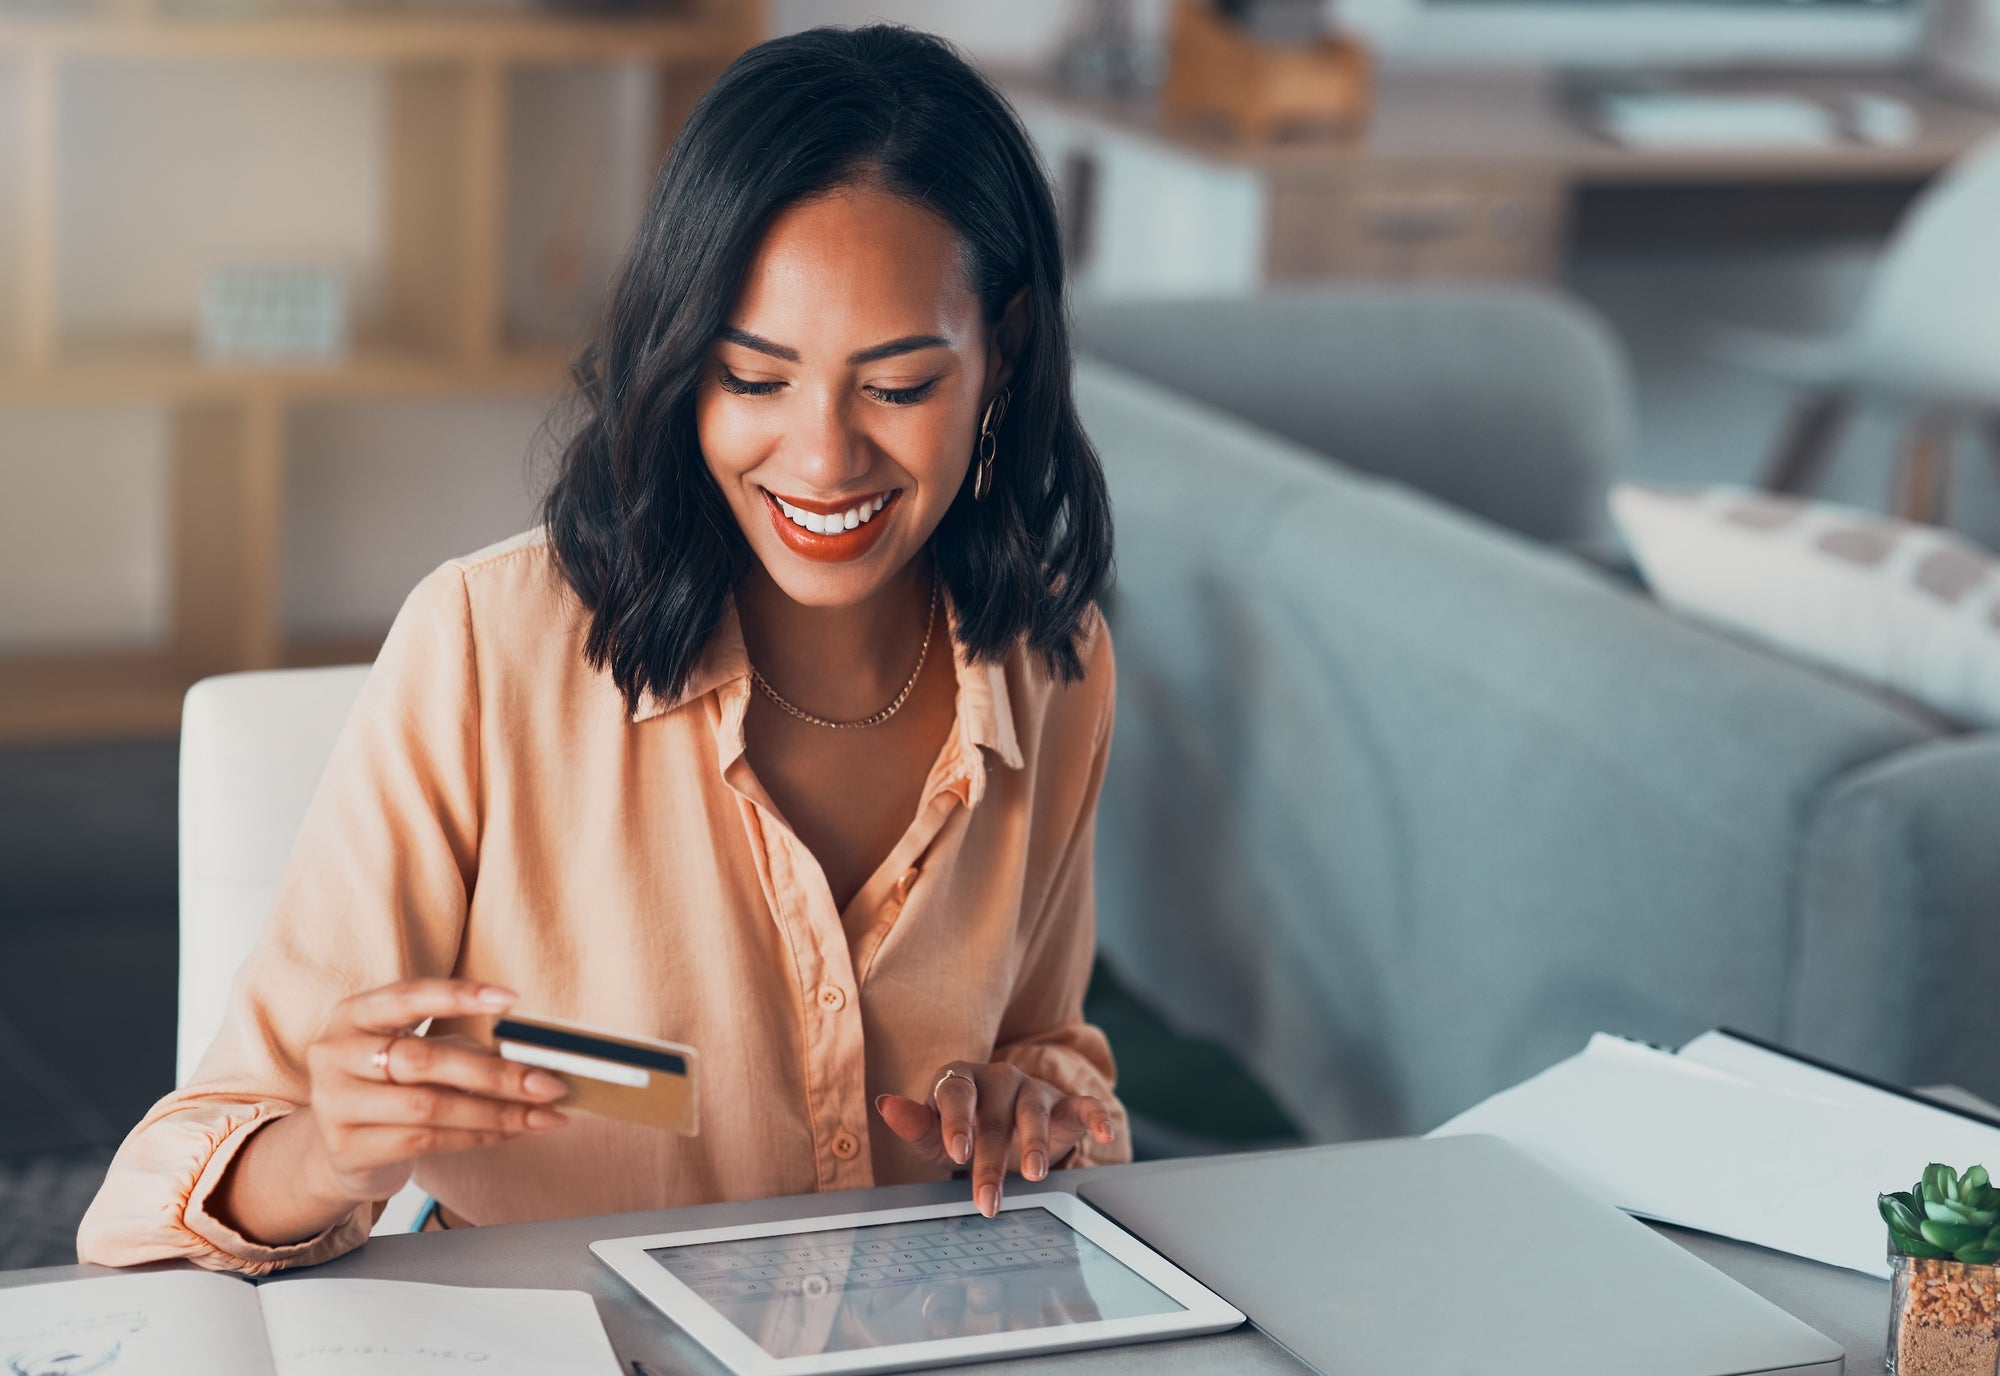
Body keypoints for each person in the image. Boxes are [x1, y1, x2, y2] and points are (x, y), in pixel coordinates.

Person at [77, 23, 1126, 1274]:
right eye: (753, 377)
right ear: (680, 363)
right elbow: (144, 1210)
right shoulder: (485, 650)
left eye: (896, 387)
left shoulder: (1048, 665)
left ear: (1001, 353)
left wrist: (1034, 1111)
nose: (822, 456)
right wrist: (327, 1148)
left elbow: (1043, 1043)